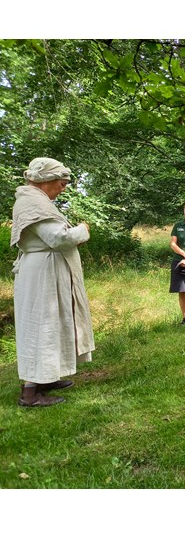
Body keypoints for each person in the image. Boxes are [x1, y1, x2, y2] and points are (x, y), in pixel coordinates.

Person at [10, 157, 95, 407]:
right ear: (45, 181)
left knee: (55, 323)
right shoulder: (32, 203)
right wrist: (83, 229)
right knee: (41, 326)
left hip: (48, 272)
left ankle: (45, 378)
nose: (63, 188)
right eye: (61, 183)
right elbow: (58, 238)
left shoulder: (37, 201)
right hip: (42, 276)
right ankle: (30, 393)